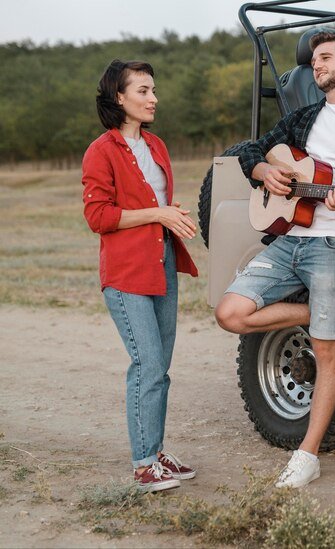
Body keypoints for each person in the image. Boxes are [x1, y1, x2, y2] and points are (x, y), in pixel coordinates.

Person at [214, 29, 335, 489]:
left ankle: (307, 453)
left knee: (326, 351)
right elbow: (251, 151)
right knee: (230, 313)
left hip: (334, 246)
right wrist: (264, 172)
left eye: (325, 58)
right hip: (288, 240)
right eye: (314, 59)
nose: (315, 66)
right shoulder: (302, 118)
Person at [82, 60, 199, 492]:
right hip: (126, 272)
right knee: (147, 363)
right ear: (119, 97)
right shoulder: (102, 150)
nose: (153, 98)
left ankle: (156, 448)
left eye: (153, 90)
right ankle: (143, 463)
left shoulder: (157, 145)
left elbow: (156, 202)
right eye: (144, 90)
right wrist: (158, 213)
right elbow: (98, 216)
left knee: (161, 367)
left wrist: (172, 219)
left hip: (162, 264)